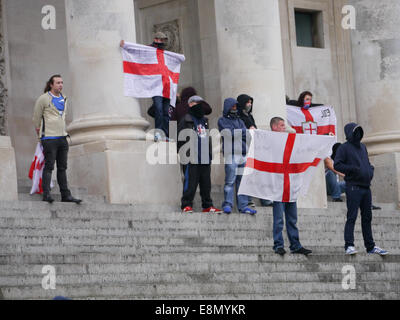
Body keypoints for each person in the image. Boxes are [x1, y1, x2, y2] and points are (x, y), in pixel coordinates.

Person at [334, 123, 388, 256]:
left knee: (367, 217)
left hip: (366, 187)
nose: (357, 133)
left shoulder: (363, 147)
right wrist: (353, 169)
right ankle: (349, 245)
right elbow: (337, 164)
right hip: (353, 186)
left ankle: (370, 247)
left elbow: (367, 163)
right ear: (349, 133)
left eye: (359, 131)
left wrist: (370, 171)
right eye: (355, 131)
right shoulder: (343, 148)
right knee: (351, 216)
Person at [32, 75, 82, 204]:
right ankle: (46, 194)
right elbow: (36, 118)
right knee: (49, 166)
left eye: (62, 83)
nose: (61, 85)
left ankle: (66, 195)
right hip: (49, 138)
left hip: (62, 138)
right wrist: (40, 133)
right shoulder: (43, 99)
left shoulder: (64, 98)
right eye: (58, 83)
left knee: (62, 167)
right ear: (51, 84)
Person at [270, 117, 312, 256]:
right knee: (279, 218)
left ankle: (295, 245)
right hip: (278, 185)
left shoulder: (289, 142)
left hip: (290, 184)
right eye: (282, 125)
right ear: (274, 127)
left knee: (292, 218)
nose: (284, 127)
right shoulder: (270, 142)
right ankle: (278, 245)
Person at [120, 31, 171, 141]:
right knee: (158, 108)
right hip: (156, 85)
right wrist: (126, 45)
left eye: (164, 40)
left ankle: (165, 134)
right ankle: (159, 133)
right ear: (156, 39)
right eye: (161, 40)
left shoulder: (165, 53)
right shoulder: (148, 50)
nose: (163, 42)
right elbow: (136, 50)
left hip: (167, 86)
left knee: (167, 112)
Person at [177, 95, 222, 213]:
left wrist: (210, 154)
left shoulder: (204, 120)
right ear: (191, 104)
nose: (201, 106)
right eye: (198, 103)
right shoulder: (185, 119)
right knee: (190, 183)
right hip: (191, 157)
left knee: (206, 184)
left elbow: (207, 138)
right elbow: (180, 140)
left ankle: (207, 205)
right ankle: (186, 205)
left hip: (205, 157)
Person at [218, 98, 256, 215]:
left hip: (243, 154)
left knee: (242, 181)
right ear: (228, 107)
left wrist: (238, 132)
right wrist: (240, 133)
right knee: (230, 181)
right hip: (231, 154)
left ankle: (243, 206)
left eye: (236, 106)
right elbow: (228, 134)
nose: (235, 108)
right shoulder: (222, 120)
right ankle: (228, 204)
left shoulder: (240, 121)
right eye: (233, 107)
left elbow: (247, 135)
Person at [237, 94, 273, 207]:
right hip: (245, 148)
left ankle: (265, 199)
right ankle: (248, 199)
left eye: (251, 102)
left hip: (254, 147)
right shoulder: (238, 116)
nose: (250, 104)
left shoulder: (249, 116)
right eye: (247, 102)